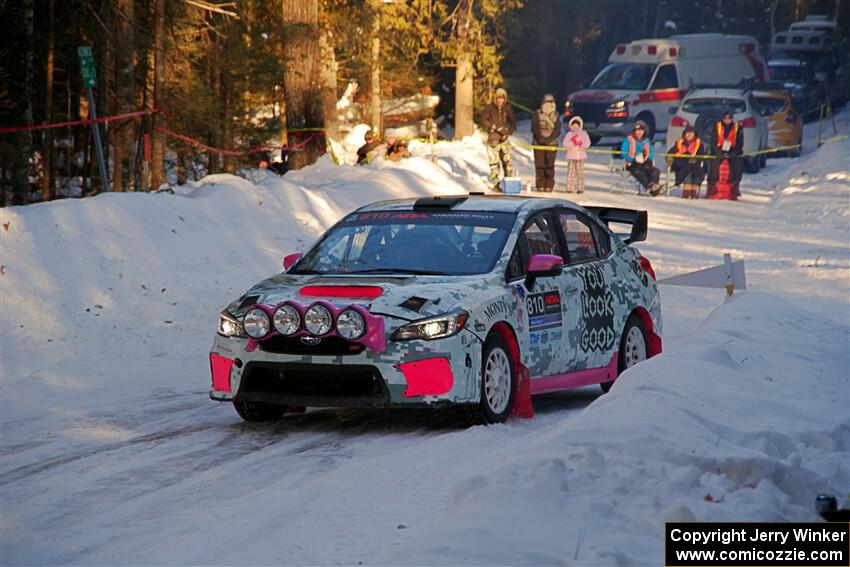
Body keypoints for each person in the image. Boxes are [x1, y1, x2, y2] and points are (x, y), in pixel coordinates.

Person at [481, 87, 517, 191]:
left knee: (507, 162)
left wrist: (508, 131)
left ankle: (508, 181)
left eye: (502, 98)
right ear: (495, 98)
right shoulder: (489, 108)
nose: (500, 100)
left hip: (504, 140)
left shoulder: (508, 108)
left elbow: (514, 122)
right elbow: (483, 120)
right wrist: (492, 126)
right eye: (498, 98)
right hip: (493, 140)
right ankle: (496, 184)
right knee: (494, 163)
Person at [707, 110, 744, 198]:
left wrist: (734, 152)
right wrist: (718, 152)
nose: (727, 120)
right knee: (714, 163)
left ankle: (735, 185)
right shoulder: (717, 127)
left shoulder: (738, 127)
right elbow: (713, 142)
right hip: (719, 149)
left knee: (737, 163)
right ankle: (712, 186)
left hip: (733, 149)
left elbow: (740, 143)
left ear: (732, 119)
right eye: (725, 118)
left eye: (729, 118)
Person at [620, 120, 661, 195]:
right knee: (640, 173)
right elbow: (623, 153)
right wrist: (633, 158)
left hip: (645, 163)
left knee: (655, 171)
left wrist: (646, 158)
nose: (639, 132)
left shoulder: (647, 140)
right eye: (638, 130)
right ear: (634, 131)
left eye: (641, 130)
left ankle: (653, 185)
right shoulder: (628, 140)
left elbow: (651, 153)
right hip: (632, 164)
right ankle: (652, 189)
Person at [531, 93, 561, 192]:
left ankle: (549, 184)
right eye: (547, 102)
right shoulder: (537, 113)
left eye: (551, 102)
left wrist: (549, 139)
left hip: (551, 144)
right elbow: (534, 127)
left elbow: (557, 130)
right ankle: (540, 184)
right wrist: (540, 138)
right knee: (539, 164)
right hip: (538, 143)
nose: (549, 105)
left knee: (549, 164)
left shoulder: (556, 115)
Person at [668, 126, 705, 198]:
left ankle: (693, 192)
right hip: (681, 165)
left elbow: (702, 155)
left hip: (694, 165)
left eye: (691, 133)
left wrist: (696, 159)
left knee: (697, 171)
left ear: (695, 134)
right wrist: (669, 158)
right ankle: (687, 192)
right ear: (684, 134)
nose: (689, 135)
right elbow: (670, 153)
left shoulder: (699, 144)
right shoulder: (679, 143)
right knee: (687, 170)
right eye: (687, 133)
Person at [562, 116, 591, 194]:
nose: (575, 127)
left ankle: (580, 188)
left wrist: (582, 146)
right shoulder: (569, 134)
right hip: (571, 156)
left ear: (580, 126)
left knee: (580, 173)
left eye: (576, 126)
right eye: (573, 126)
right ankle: (569, 187)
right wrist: (570, 145)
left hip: (580, 156)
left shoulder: (583, 134)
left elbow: (587, 142)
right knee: (570, 172)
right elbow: (565, 143)